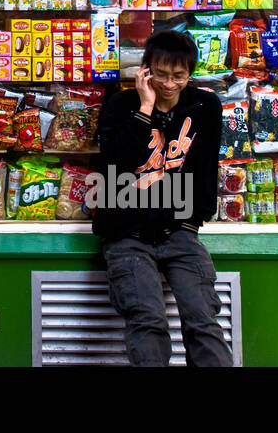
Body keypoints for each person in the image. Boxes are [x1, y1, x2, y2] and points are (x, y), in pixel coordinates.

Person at [93, 30, 232, 367]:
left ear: (190, 74)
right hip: (127, 234)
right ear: (146, 70)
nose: (169, 83)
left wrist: (189, 222)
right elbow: (113, 167)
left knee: (203, 321)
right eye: (161, 74)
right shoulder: (121, 105)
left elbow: (204, 171)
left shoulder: (205, 106)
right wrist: (144, 109)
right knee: (148, 322)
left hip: (179, 231)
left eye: (179, 76)